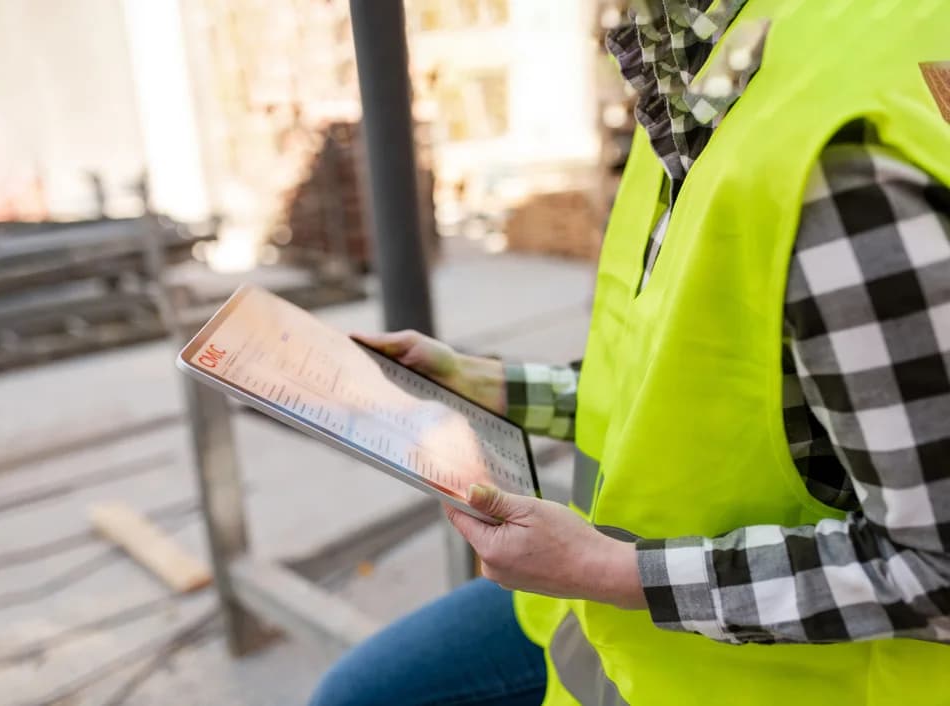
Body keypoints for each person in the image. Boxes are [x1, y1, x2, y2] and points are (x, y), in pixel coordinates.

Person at [310, 1, 950, 705]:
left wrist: (610, 571)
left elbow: (938, 570)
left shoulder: (838, 161)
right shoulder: (694, 74)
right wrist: (485, 383)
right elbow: (685, 381)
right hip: (614, 621)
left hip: (760, 672)